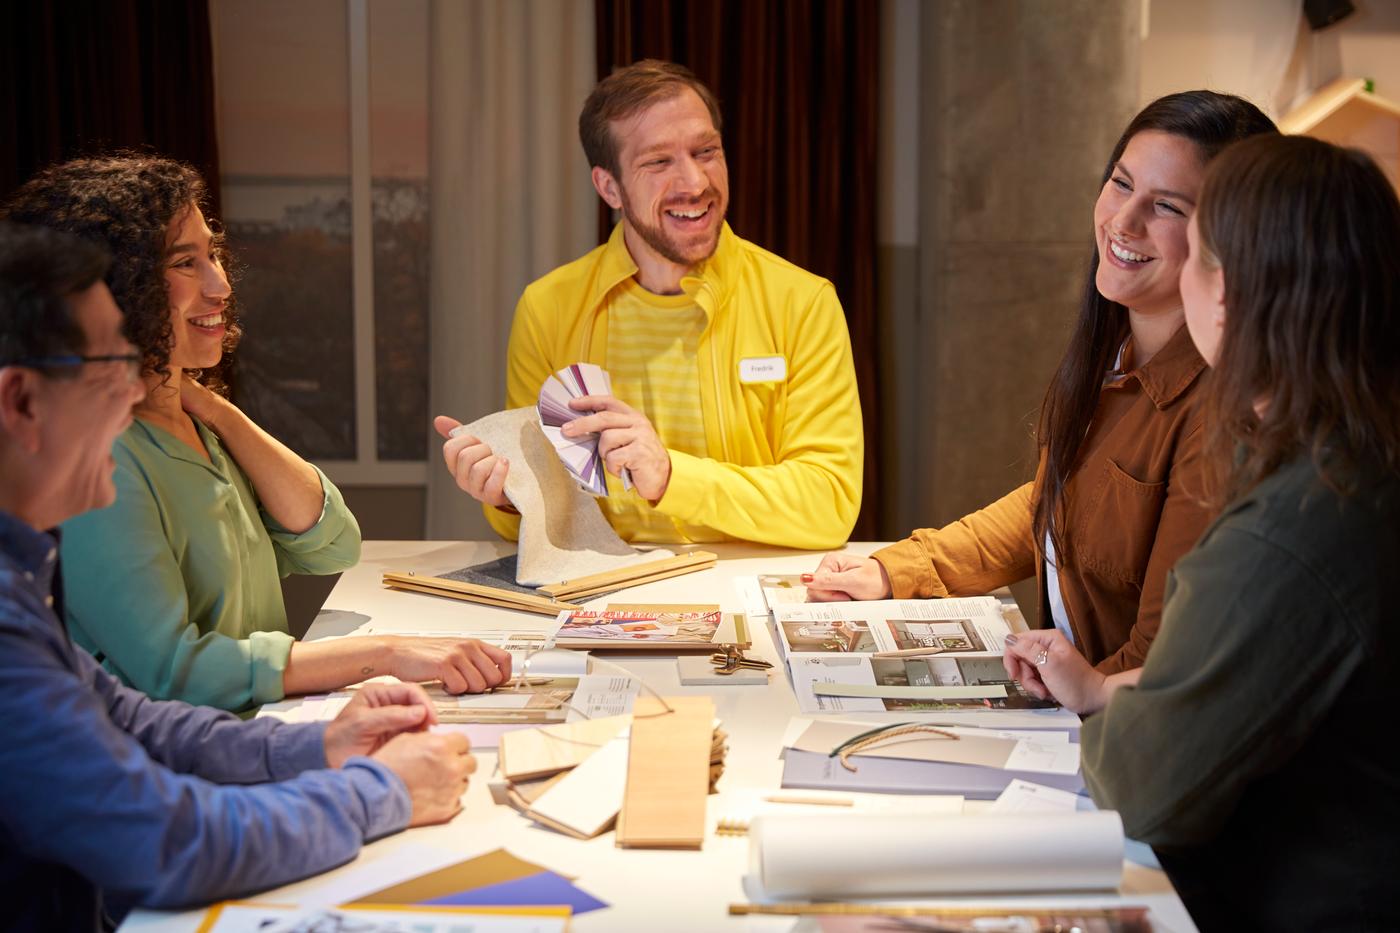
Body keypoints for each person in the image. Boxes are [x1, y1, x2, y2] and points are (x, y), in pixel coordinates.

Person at [0, 222, 478, 931]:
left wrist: (317, 745)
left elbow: (133, 719)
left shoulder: (20, 574)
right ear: (21, 403)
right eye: (113, 369)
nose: (139, 391)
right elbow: (170, 841)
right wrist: (383, 790)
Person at [1003, 135, 1400, 931]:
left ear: (1230, 293)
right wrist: (1107, 689)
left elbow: (1146, 783)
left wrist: (1118, 713)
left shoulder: (1299, 518)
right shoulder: (1354, 451)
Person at [3, 156, 511, 712]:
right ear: (116, 287)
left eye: (212, 254)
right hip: (198, 762)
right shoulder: (103, 456)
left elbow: (333, 543)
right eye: (185, 263)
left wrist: (221, 413)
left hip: (260, 729)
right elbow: (175, 671)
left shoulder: (200, 422)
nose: (220, 284)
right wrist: (385, 653)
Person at [806, 92, 1277, 674]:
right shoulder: (1119, 352)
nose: (1123, 222)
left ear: (1230, 239)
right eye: (1122, 184)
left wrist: (1065, 698)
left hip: (1114, 738)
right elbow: (1056, 504)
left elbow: (1161, 666)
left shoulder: (1218, 415)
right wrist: (896, 569)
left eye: (1168, 207)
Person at [434, 59, 863, 549]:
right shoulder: (547, 308)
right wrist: (507, 494)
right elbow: (533, 523)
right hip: (607, 598)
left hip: (750, 588)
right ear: (609, 187)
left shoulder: (803, 302)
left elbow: (829, 505)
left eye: (707, 151)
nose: (696, 183)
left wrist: (669, 476)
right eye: (659, 162)